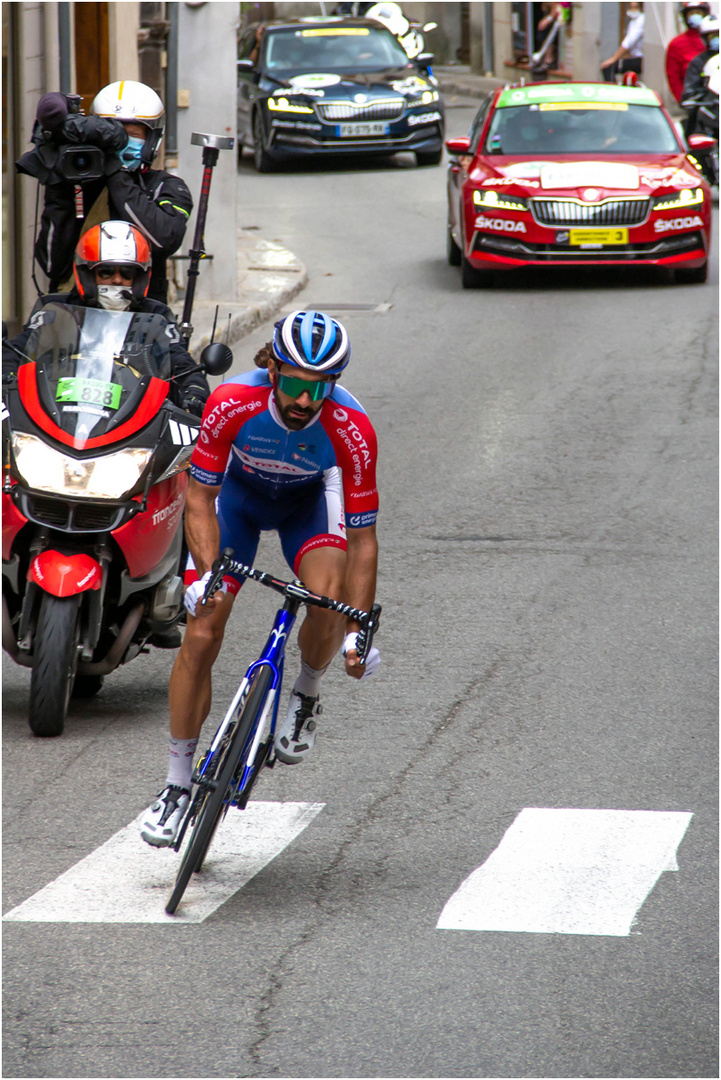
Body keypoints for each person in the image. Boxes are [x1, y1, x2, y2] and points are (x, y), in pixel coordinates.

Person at [139, 310, 381, 848]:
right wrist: (204, 576)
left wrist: (359, 628)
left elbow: (363, 541)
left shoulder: (352, 428)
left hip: (306, 508)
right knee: (202, 629)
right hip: (239, 505)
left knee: (328, 602)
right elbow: (199, 497)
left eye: (320, 388)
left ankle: (306, 693)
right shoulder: (233, 402)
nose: (305, 400)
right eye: (295, 383)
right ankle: (178, 784)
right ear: (273, 369)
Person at [2, 220, 209, 419]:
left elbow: (181, 363)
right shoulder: (54, 310)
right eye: (106, 271)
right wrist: (6, 376)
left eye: (127, 272)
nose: (117, 279)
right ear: (87, 273)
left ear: (139, 277)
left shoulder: (156, 315)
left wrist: (194, 391)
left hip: (132, 417)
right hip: (56, 413)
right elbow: (17, 350)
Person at [16, 80, 192, 304]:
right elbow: (52, 265)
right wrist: (59, 186)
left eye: (133, 133)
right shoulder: (79, 181)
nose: (121, 143)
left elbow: (163, 240)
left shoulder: (167, 187)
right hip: (76, 318)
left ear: (152, 140)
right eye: (113, 134)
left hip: (142, 321)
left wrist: (116, 172)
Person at [665, 2, 710, 106]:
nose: (695, 16)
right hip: (692, 101)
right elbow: (673, 78)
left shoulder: (714, 40)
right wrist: (684, 101)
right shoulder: (676, 44)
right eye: (692, 13)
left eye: (698, 12)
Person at [600, 3, 644, 83]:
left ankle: (612, 91)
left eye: (635, 7)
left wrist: (613, 59)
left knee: (609, 67)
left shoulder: (641, 20)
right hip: (633, 56)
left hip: (639, 58)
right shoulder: (633, 22)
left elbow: (629, 42)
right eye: (631, 7)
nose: (633, 10)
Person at [682, 13, 720, 101]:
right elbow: (690, 90)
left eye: (719, 34)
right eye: (713, 36)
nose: (717, 39)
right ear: (705, 38)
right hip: (710, 107)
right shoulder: (698, 62)